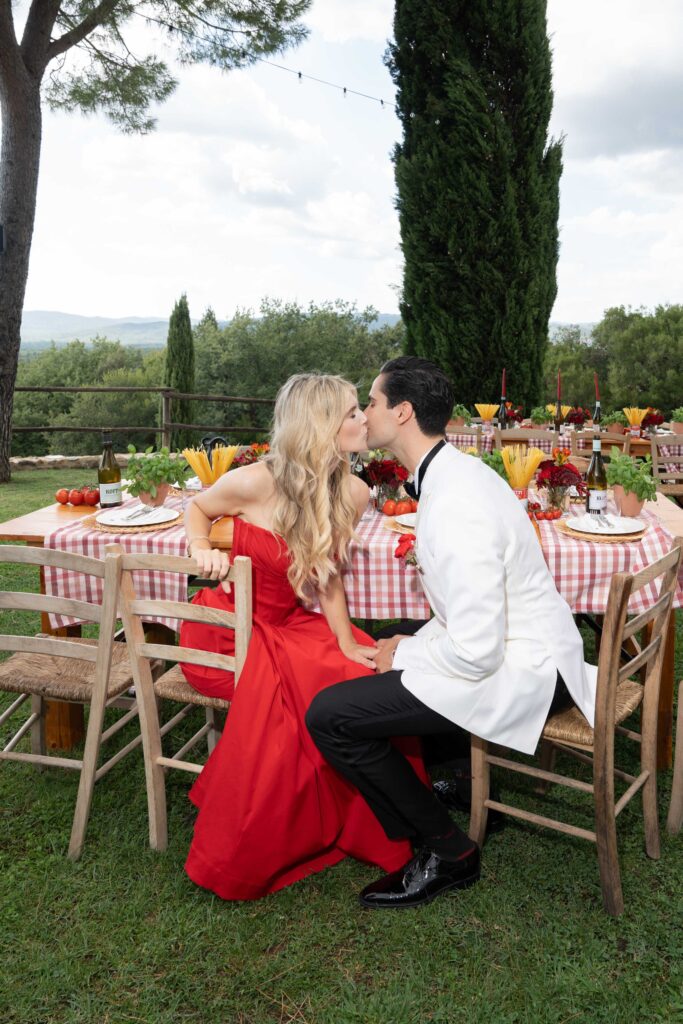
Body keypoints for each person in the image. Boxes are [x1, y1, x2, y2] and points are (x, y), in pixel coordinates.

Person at [306, 356, 598, 909]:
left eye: (371, 402)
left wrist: (405, 656)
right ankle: (464, 781)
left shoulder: (456, 503)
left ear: (403, 412)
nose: (365, 413)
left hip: (528, 667)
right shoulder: (455, 470)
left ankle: (447, 851)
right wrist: (406, 642)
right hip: (527, 640)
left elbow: (476, 652)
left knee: (330, 717)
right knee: (393, 630)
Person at [179, 373, 427, 900]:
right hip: (224, 632)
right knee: (321, 686)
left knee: (357, 668)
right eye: (352, 412)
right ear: (320, 425)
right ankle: (294, 824)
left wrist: (345, 641)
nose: (364, 419)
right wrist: (201, 546)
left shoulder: (354, 492)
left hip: (285, 624)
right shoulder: (255, 481)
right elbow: (196, 508)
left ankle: (391, 811)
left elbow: (328, 577)